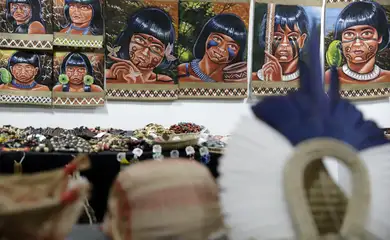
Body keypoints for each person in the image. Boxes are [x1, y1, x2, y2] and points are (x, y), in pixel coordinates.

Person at [324, 1, 390, 84]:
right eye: (349, 34)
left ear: (379, 37)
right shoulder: (329, 78)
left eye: (366, 33)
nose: (357, 43)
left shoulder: (388, 78)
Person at [106, 7, 175, 84]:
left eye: (156, 48)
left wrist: (138, 82)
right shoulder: (107, 77)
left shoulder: (164, 82)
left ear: (165, 54)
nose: (145, 53)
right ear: (128, 39)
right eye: (140, 40)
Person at [178, 13, 247, 83]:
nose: (222, 48)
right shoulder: (181, 71)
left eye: (232, 46)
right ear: (206, 37)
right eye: (217, 39)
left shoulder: (237, 82)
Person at [252, 5, 309, 82]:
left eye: (292, 38)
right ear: (267, 39)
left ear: (302, 40)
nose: (284, 44)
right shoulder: (253, 79)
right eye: (277, 38)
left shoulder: (311, 80)